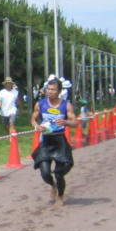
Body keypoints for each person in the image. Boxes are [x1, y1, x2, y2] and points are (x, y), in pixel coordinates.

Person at [31, 78, 78, 206]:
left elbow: (75, 122)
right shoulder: (40, 104)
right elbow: (33, 119)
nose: (50, 92)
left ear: (59, 91)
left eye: (53, 90)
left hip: (59, 141)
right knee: (45, 172)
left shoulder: (66, 105)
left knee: (58, 173)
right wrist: (36, 126)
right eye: (48, 89)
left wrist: (66, 122)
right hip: (46, 141)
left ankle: (60, 196)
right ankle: (53, 185)